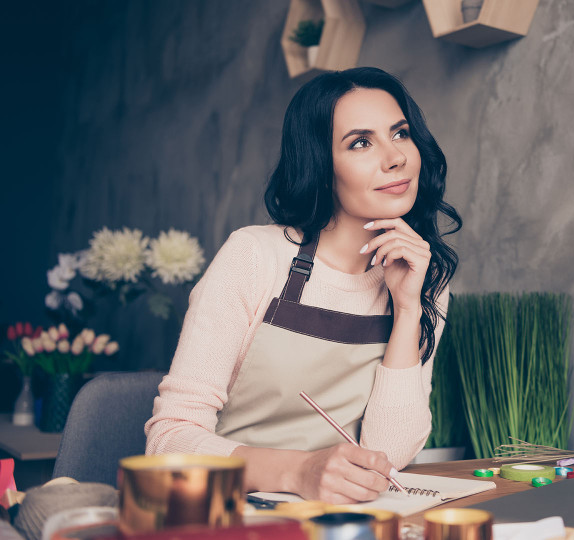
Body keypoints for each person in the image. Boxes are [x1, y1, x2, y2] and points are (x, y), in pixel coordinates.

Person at [145, 67, 461, 504]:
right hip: (227, 512)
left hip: (339, 520)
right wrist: (299, 471)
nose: (395, 157)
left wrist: (408, 310)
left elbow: (387, 456)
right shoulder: (255, 256)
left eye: (401, 134)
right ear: (322, 165)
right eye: (361, 142)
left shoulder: (422, 278)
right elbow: (168, 442)